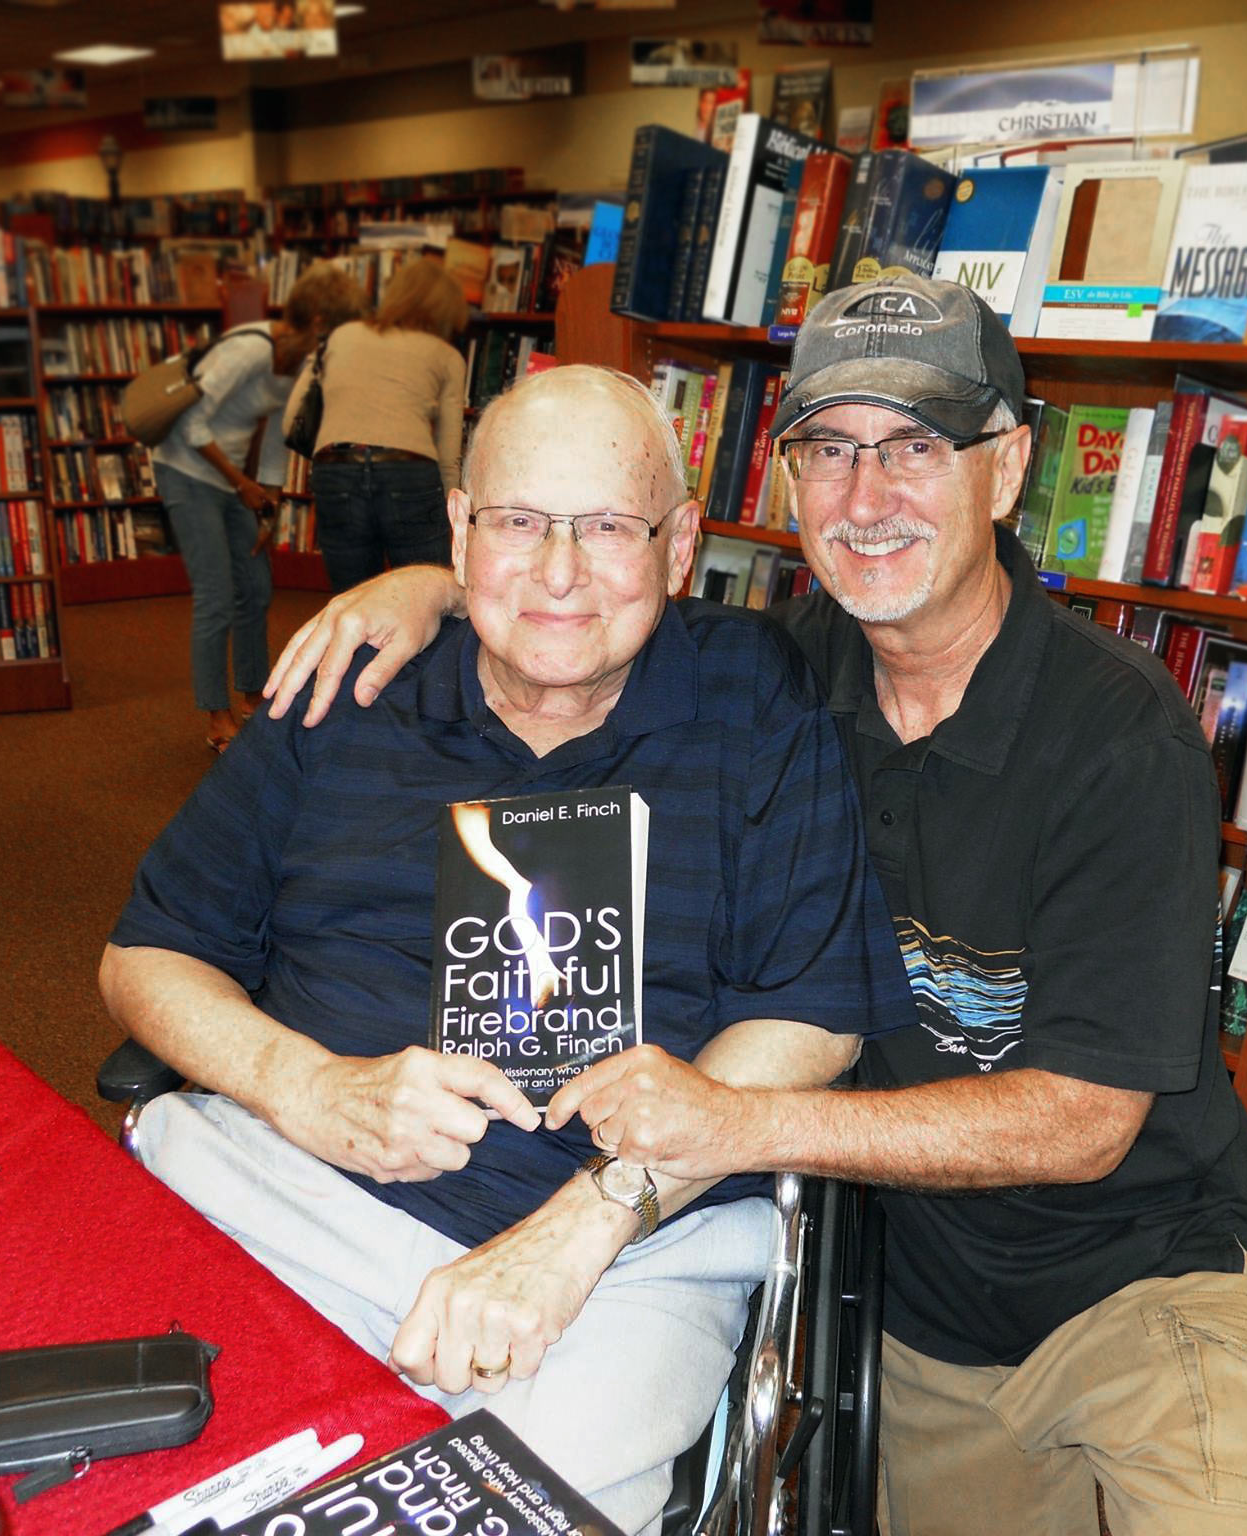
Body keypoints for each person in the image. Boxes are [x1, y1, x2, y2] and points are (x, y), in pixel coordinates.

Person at [264, 277, 1247, 1536]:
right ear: (782, 482)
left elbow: (1083, 1124)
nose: (864, 499)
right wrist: (427, 585)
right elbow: (578, 595)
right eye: (827, 450)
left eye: (914, 448)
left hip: (1141, 1279)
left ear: (1006, 468)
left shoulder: (1118, 734)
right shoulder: (773, 672)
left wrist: (735, 1119)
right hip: (910, 1312)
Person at [102, 364, 913, 1536]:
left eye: (607, 528)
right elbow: (142, 957)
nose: (557, 573)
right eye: (518, 522)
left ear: (680, 545)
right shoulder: (348, 683)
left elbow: (816, 1014)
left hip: (626, 1253)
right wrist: (310, 1087)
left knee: (511, 1515)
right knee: (129, 1468)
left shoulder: (754, 694)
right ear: (457, 530)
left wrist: (573, 1232)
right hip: (293, 1187)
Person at [151, 264, 362, 754]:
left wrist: (269, 501)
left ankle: (252, 696)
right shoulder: (248, 349)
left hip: (232, 481)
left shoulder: (297, 364)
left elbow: (274, 437)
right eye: (331, 333)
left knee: (256, 585)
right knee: (217, 595)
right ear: (314, 320)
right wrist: (242, 483)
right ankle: (216, 713)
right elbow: (189, 422)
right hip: (186, 470)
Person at [283, 258, 470, 593]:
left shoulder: (342, 335)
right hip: (408, 471)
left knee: (352, 600)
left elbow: (290, 422)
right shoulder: (447, 357)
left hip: (335, 469)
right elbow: (448, 454)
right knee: (426, 594)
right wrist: (450, 518)